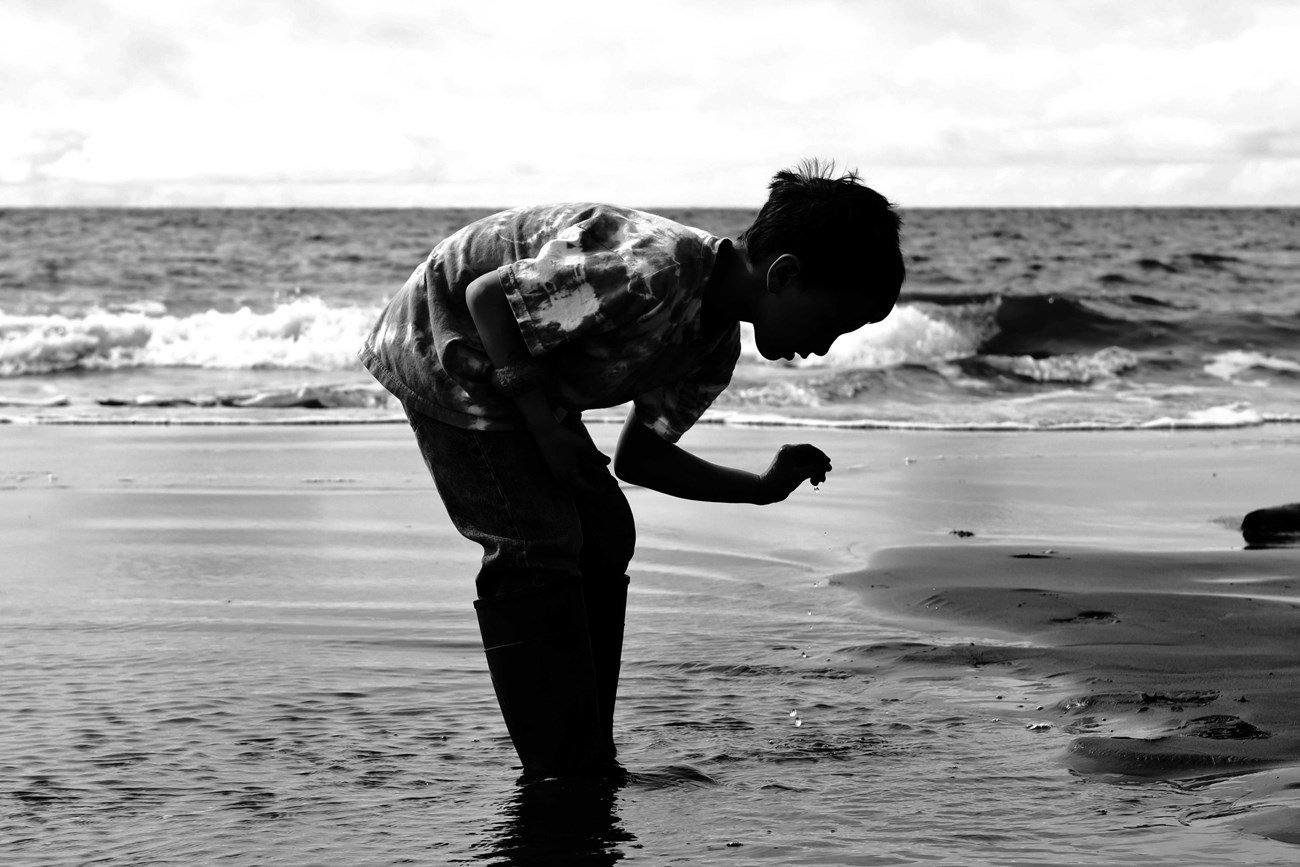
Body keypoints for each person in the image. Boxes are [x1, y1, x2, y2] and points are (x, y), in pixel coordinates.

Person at [360, 160, 904, 779]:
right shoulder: (653, 274)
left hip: (527, 378)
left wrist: (761, 490)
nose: (825, 346)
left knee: (606, 531)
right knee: (536, 541)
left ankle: (587, 744)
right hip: (449, 345)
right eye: (834, 323)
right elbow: (491, 301)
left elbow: (640, 458)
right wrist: (545, 428)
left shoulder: (711, 346)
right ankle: (561, 764)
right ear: (785, 275)